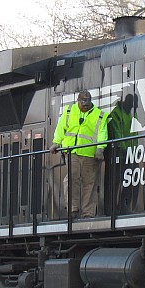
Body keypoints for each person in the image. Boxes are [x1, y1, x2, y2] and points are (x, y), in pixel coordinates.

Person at [49, 90, 109, 218]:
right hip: (72, 152)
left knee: (89, 183)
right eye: (83, 102)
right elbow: (61, 128)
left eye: (87, 102)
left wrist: (100, 149)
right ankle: (72, 208)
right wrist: (56, 143)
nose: (85, 105)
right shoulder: (69, 111)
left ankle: (88, 213)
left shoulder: (99, 115)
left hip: (89, 153)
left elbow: (102, 133)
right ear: (78, 101)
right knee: (71, 178)